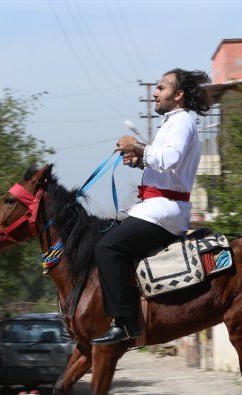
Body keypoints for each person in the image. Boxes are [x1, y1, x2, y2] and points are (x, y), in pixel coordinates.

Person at [92, 68, 211, 345]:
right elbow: (168, 168)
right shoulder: (172, 122)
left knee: (107, 248)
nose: (155, 93)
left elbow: (170, 158)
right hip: (156, 206)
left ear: (178, 95)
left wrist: (137, 146)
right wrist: (140, 160)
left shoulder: (181, 122)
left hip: (164, 210)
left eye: (161, 88)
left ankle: (126, 323)